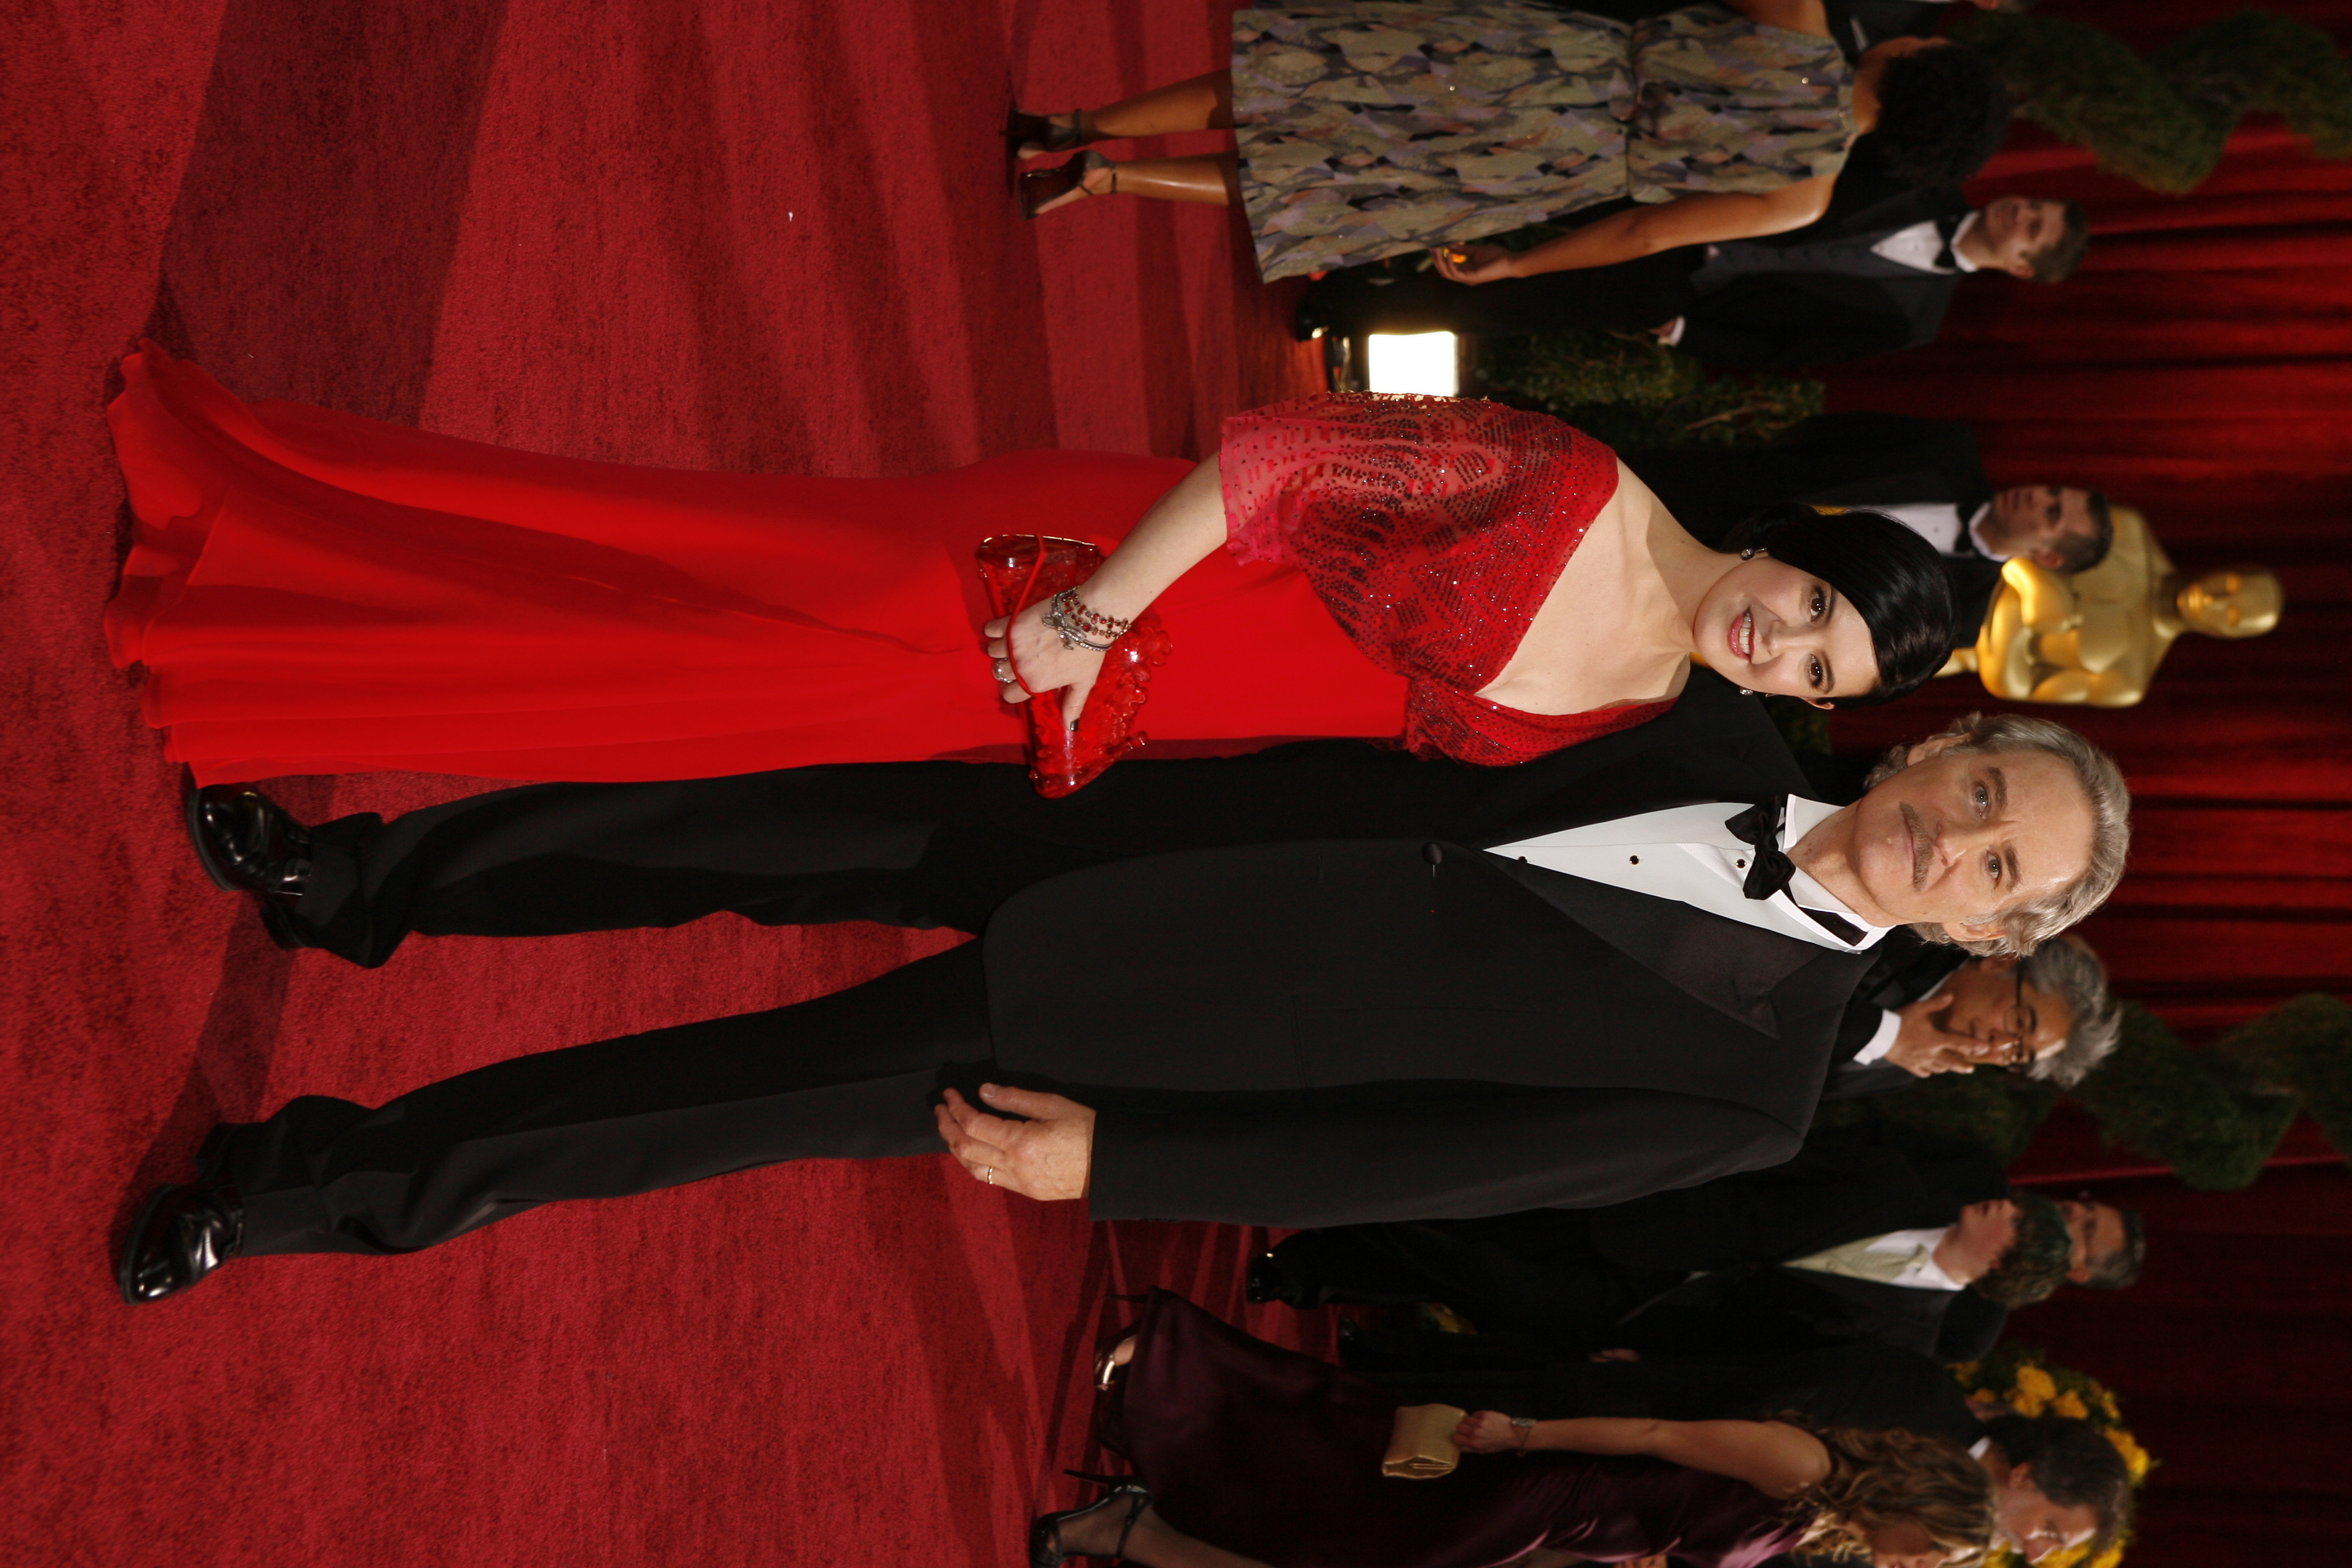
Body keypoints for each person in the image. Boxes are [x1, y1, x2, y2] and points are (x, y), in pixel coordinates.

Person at [119, 709, 2128, 1303]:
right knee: (705, 824)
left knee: (681, 1107)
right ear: (1941, 744)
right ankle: (359, 881)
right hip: (1148, 812)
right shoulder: (1716, 699)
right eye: (1979, 785)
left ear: (1994, 930)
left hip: (1150, 1035)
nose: (1958, 836)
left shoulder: (1756, 1097)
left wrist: (1127, 1160)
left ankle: (289, 1194)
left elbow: (1410, 1162)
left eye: (1999, 858)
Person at [109, 346, 1954, 787]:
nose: (1781, 646)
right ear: (1799, 546)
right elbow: (1276, 454)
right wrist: (1085, 616)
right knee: (705, 561)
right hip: (1090, 579)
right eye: (1814, 610)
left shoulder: (1638, 698)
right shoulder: (1575, 482)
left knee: (698, 705)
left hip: (1120, 713)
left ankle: (268, 659)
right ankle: (261, 519)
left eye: (1816, 677)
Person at [1011, 0, 2011, 285]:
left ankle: (1079, 123)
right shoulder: (1808, 194)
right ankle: (1105, 181)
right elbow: (1638, 240)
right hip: (1551, 166)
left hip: (1547, 61)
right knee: (1318, 180)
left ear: (1919, 58)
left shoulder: (1800, 22)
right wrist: (1517, 263)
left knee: (1303, 84)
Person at [1027, 1290, 1996, 1568]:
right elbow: (1656, 1435)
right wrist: (1526, 1436)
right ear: (1919, 1504)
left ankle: (1137, 1529)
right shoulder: (1802, 1463)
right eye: (1937, 1555)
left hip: (1553, 1537)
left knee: (1330, 1497)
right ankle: (1153, 1453)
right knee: (1335, 1493)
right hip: (1545, 1499)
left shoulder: (1817, 1521)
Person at [1252, 1123, 2143, 1359]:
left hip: (1653, 1312)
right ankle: (1322, 1236)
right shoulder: (1901, 1183)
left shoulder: (1923, 1331)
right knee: (1483, 1221)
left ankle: (1311, 1271)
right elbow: (1779, 1163)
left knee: (1478, 1279)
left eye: (2020, 1223)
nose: (2006, 1204)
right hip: (1655, 1214)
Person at [1293, 138, 2090, 369]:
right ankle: (1345, 231)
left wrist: (1686, 336)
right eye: (2037, 204)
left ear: (2023, 266)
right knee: (1511, 195)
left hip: (1683, 294)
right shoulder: (1917, 173)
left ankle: (1339, 309)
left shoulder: (1917, 321)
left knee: (1500, 308)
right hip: (1679, 196)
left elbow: (1791, 348)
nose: (2023, 211)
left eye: (2035, 229)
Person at [1357, 1343, 2132, 1565]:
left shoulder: (1877, 1534)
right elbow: (1771, 1378)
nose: (2033, 1549)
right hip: (1625, 1431)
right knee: (1385, 1411)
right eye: (2052, 1529)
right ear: (2030, 1473)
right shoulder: (1917, 1394)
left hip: (1609, 1516)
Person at [1623, 413, 2116, 638]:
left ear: (2048, 558)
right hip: (1719, 482)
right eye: (2054, 490)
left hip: (1719, 587)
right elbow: (1837, 434)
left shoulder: (1960, 615)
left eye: (2052, 513)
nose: (2038, 496)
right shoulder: (1951, 449)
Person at [1823, 932, 2120, 1100]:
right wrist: (1886, 1036)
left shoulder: (1901, 1072)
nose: (1999, 1045)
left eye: (2016, 1055)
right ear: (2000, 963)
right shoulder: (1909, 937)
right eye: (2018, 1022)